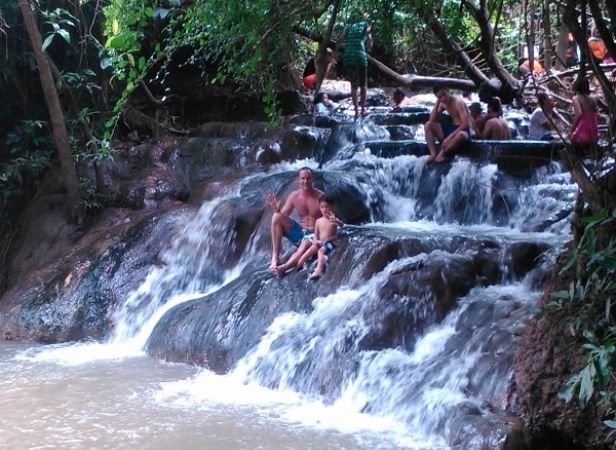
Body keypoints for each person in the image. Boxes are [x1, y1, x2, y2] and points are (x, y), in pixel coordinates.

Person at [266, 167, 324, 270]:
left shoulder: (321, 197)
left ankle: (284, 267)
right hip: (300, 234)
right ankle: (275, 258)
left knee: (304, 246)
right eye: (303, 178)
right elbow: (282, 218)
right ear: (298, 180)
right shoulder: (294, 196)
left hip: (314, 235)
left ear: (312, 179)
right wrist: (277, 210)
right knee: (276, 217)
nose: (305, 181)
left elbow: (328, 219)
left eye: (308, 178)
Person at [424, 86, 471, 163]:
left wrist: (449, 138)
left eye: (444, 94)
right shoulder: (442, 103)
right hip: (451, 129)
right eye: (439, 97)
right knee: (428, 124)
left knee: (461, 135)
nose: (443, 98)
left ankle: (443, 153)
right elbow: (432, 120)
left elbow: (466, 124)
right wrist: (437, 103)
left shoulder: (458, 102)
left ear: (448, 91)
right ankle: (433, 153)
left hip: (462, 130)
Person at [342, 16, 372, 120]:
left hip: (348, 57)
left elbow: (342, 38)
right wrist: (369, 44)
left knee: (353, 85)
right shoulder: (365, 25)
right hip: (359, 56)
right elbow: (369, 41)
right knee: (363, 85)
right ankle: (363, 110)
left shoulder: (350, 27)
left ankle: (356, 112)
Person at [308, 195, 343, 281]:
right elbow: (316, 234)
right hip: (322, 243)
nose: (325, 209)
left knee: (320, 251)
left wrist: (336, 221)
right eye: (322, 207)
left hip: (331, 243)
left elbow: (342, 225)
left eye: (327, 207)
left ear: (332, 207)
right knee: (309, 253)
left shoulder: (333, 220)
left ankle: (319, 270)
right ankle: (302, 267)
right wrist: (316, 241)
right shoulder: (318, 221)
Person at [570, 76, 600, 146]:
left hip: (582, 132)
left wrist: (571, 129)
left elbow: (579, 114)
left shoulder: (576, 98)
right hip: (594, 133)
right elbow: (601, 112)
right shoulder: (594, 98)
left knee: (571, 142)